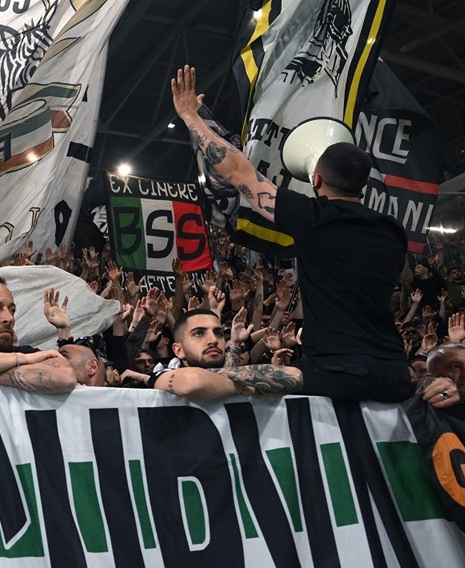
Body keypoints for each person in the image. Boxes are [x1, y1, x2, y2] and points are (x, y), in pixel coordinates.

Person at [167, 65, 410, 402]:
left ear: (317, 180)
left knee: (204, 380)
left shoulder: (313, 217)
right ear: (365, 184)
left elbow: (239, 172)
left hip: (339, 372)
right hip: (396, 371)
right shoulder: (392, 230)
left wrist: (191, 117)